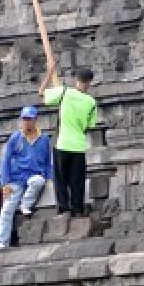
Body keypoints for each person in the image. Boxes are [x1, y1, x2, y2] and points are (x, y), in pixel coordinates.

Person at [38, 67, 97, 216]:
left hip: (62, 143)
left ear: (76, 81)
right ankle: (78, 209)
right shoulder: (91, 102)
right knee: (77, 181)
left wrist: (49, 73)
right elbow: (90, 125)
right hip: (78, 146)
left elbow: (41, 94)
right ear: (89, 83)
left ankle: (64, 208)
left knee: (61, 179)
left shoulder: (64, 92)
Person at [0, 106, 54, 250]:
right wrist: (5, 183)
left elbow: (48, 161)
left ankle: (25, 204)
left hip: (33, 176)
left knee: (38, 181)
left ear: (35, 120)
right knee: (7, 209)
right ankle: (2, 242)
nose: (26, 122)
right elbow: (6, 160)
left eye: (29, 119)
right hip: (15, 180)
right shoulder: (15, 137)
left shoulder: (44, 138)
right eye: (24, 119)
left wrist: (50, 178)